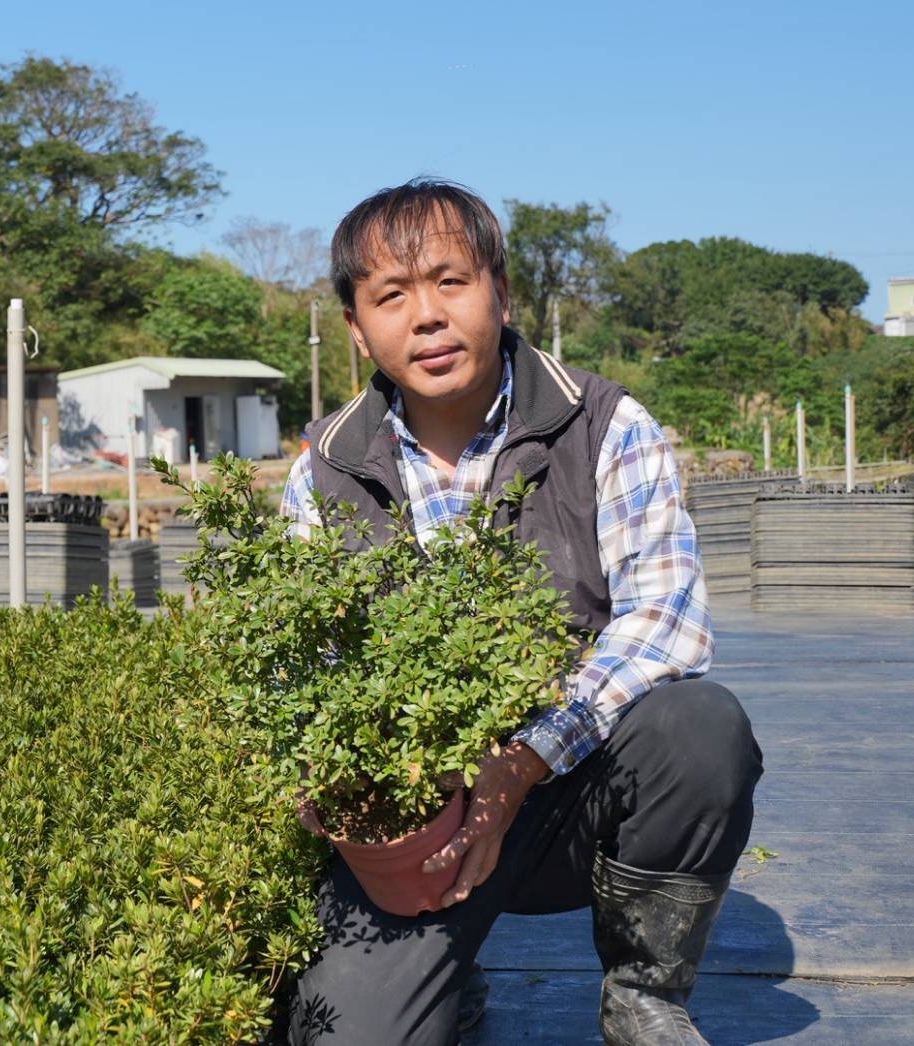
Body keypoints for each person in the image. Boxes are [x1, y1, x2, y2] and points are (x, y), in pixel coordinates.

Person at [280, 179, 762, 1045]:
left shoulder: (605, 425)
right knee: (349, 1035)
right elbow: (299, 667)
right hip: (413, 818)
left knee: (697, 726)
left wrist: (525, 758)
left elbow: (666, 621)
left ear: (500, 292)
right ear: (356, 329)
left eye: (449, 281)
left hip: (574, 789)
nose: (425, 316)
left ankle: (643, 995)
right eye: (390, 296)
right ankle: (445, 978)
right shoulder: (325, 469)